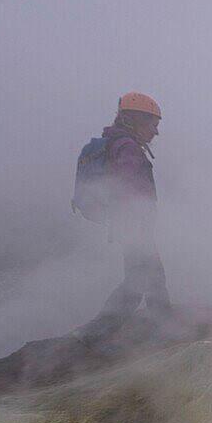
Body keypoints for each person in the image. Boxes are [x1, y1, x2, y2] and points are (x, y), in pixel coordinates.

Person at [72, 92, 172, 350]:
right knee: (146, 279)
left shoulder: (116, 143)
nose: (156, 133)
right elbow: (126, 184)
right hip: (133, 224)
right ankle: (95, 333)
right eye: (153, 125)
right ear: (135, 120)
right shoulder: (127, 147)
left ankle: (163, 326)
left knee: (142, 279)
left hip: (127, 223)